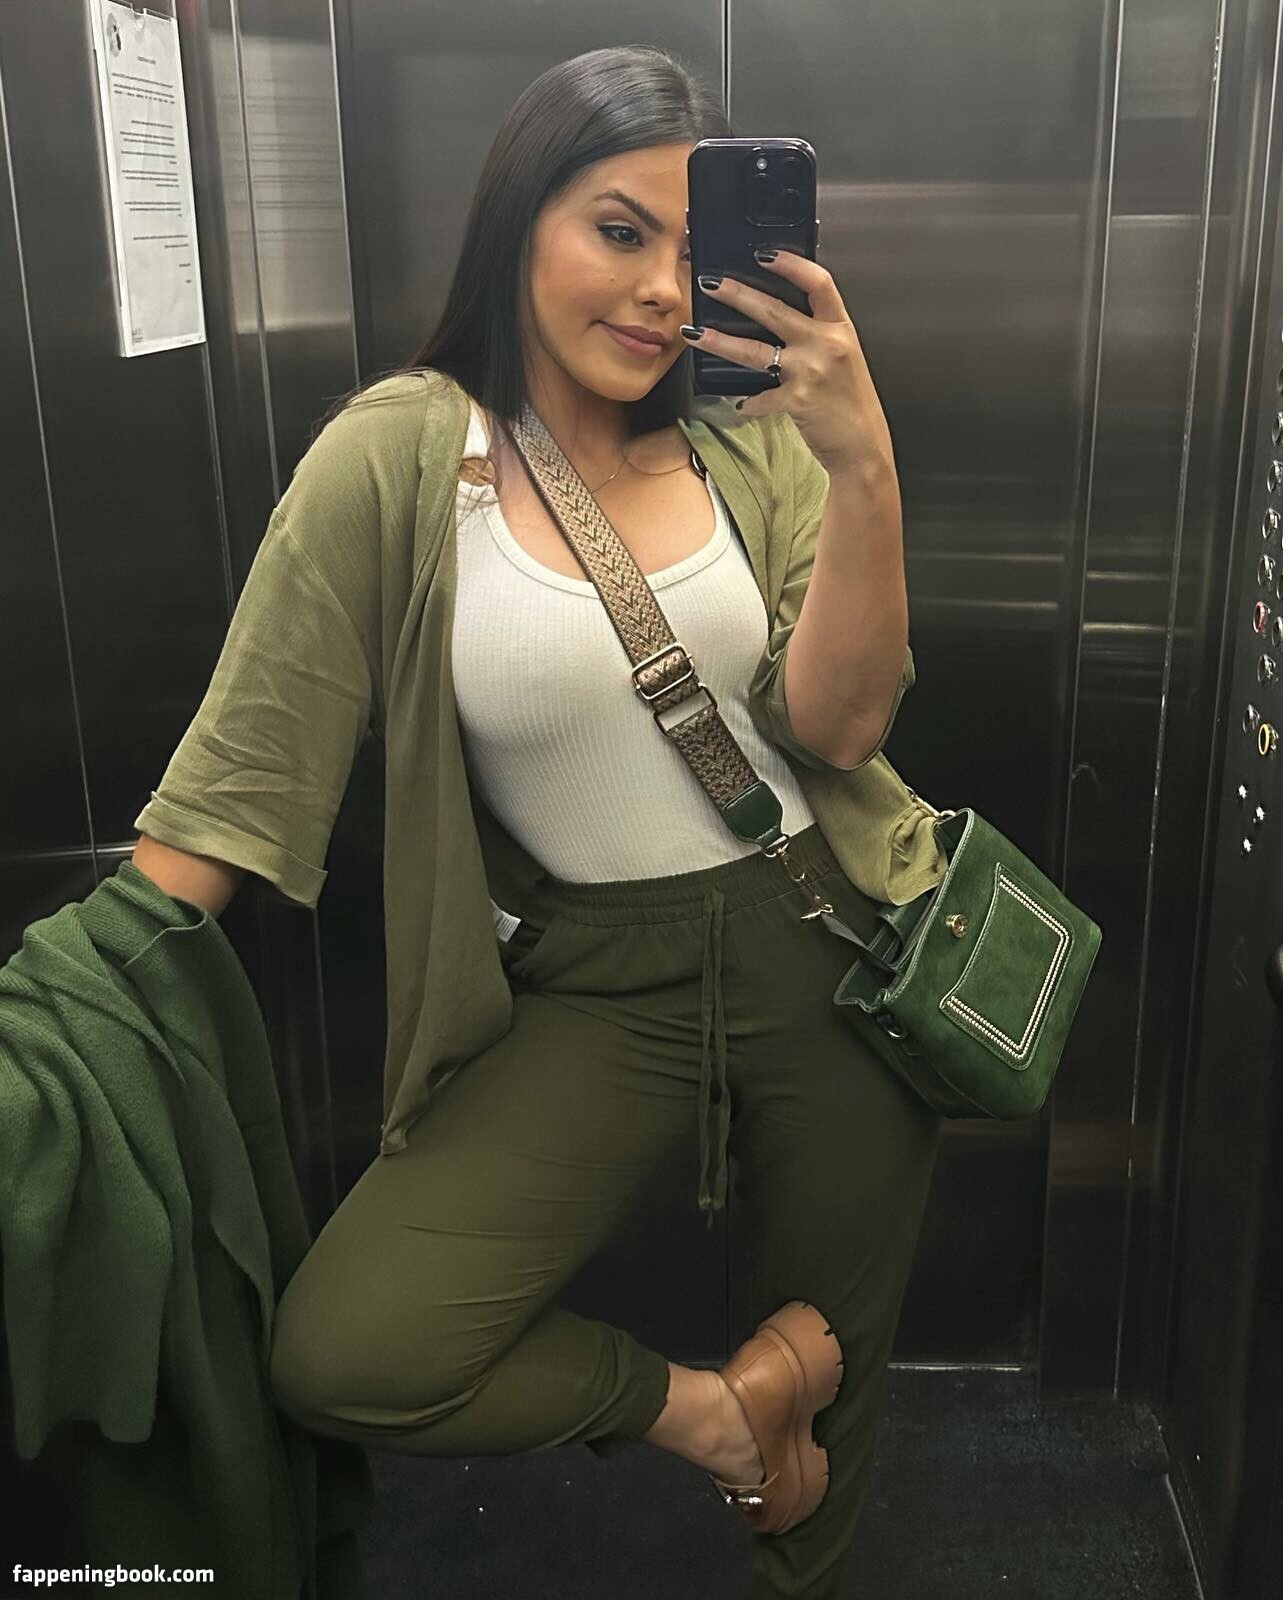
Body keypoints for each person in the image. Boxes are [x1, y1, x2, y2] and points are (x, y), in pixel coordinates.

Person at [132, 44, 943, 1600]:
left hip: (829, 940)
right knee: (353, 1347)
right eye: (617, 230)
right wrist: (81, 987)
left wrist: (864, 465)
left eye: (694, 253)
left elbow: (840, 726)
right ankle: (715, 1412)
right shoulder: (400, 453)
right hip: (596, 981)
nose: (659, 291)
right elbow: (242, 771)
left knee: (841, 1392)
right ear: (519, 225)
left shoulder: (755, 437)